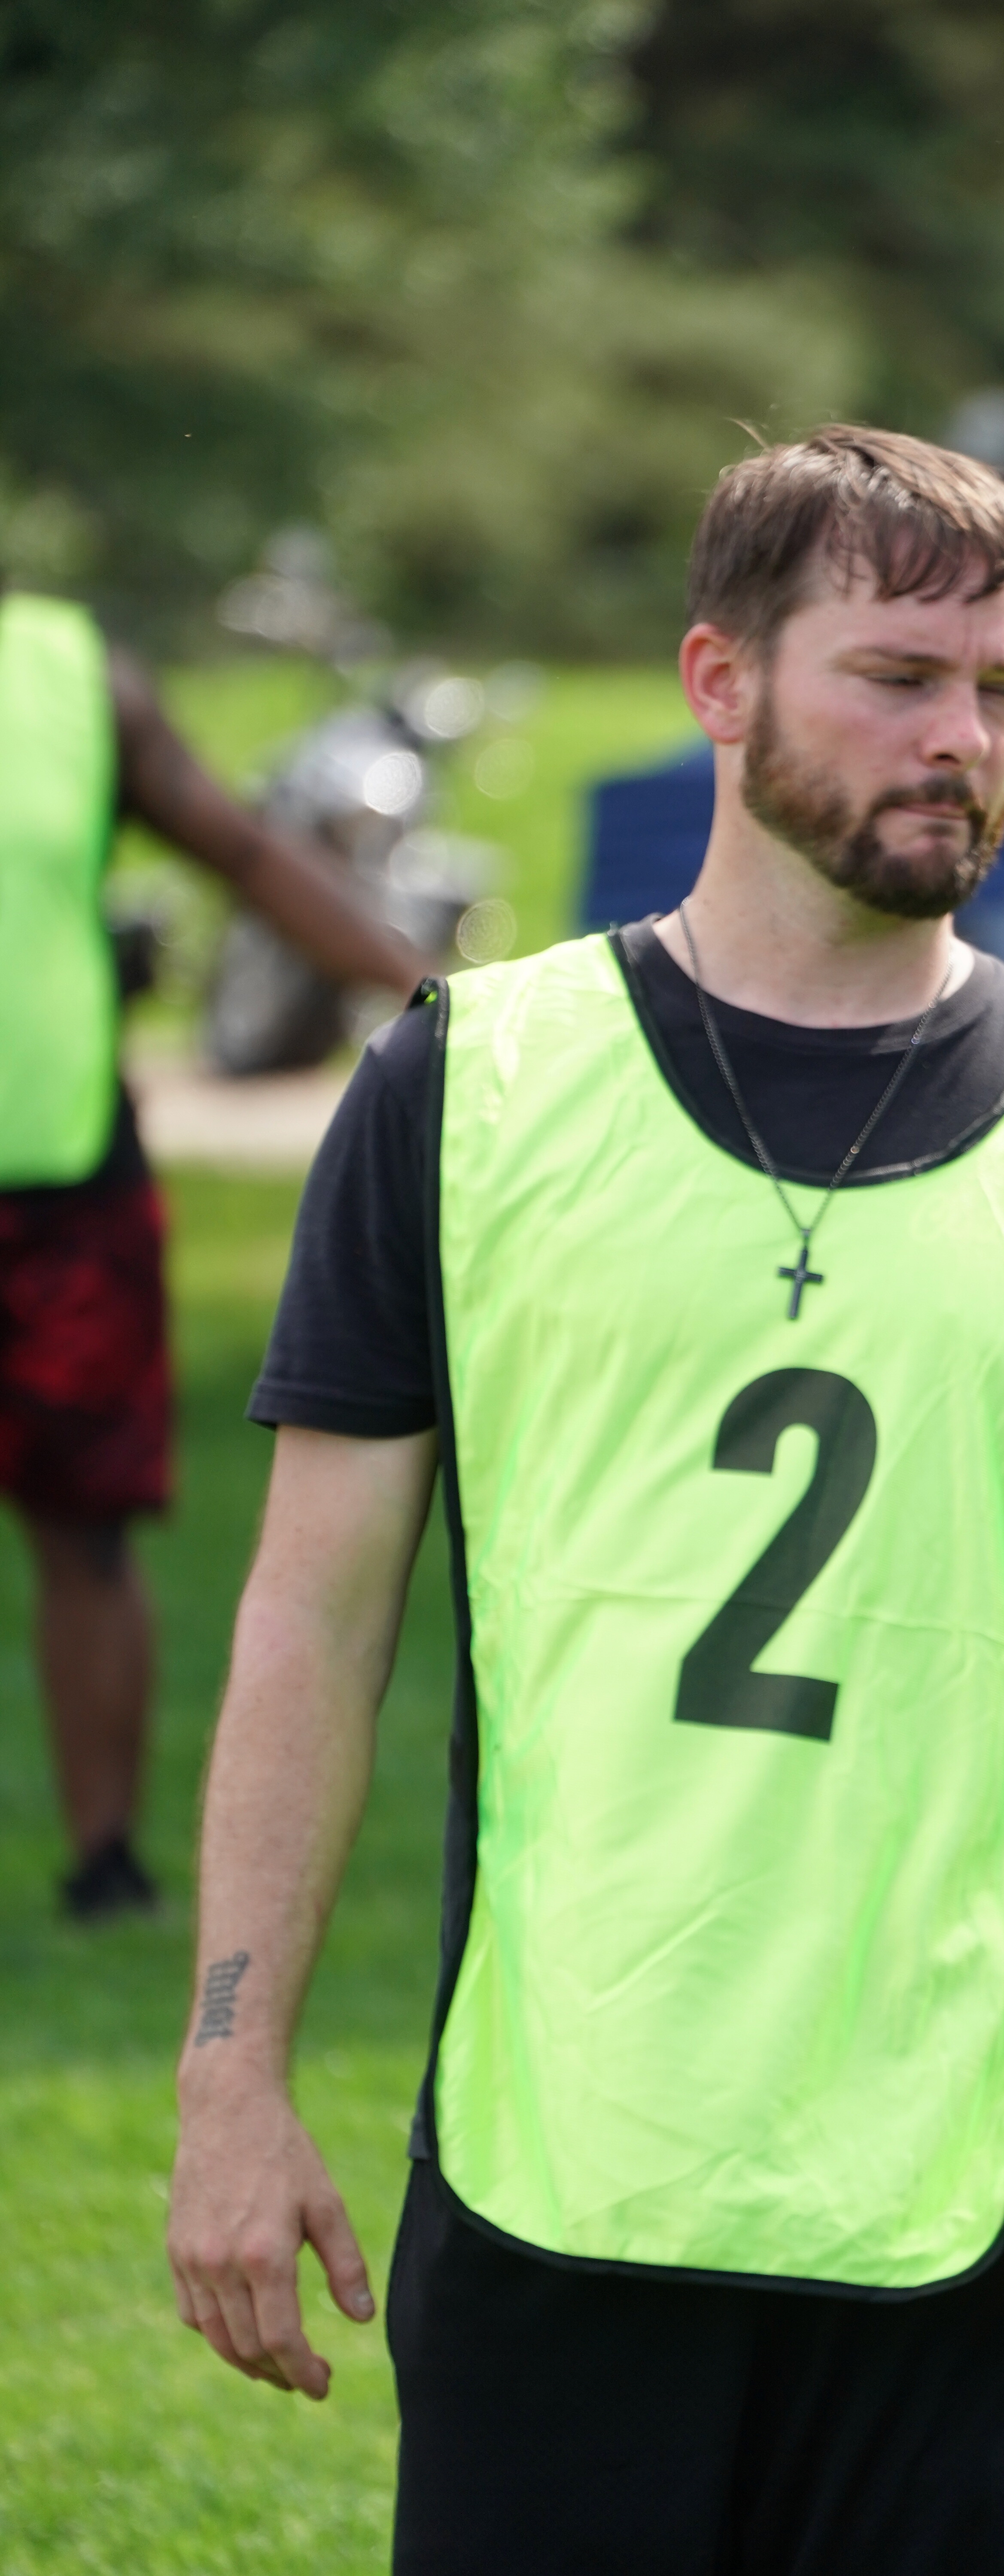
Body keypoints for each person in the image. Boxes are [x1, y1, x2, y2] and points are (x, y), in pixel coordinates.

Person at [167, 429, 1004, 2576]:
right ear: (718, 680)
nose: (961, 739)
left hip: (972, 2188)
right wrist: (233, 2079)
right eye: (897, 678)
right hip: (561, 2166)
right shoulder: (469, 1084)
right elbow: (311, 1617)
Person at [0, 585, 432, 1918]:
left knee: (89, 1531)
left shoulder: (70, 673)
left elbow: (245, 855)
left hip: (62, 1181)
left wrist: (439, 1005)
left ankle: (107, 1866)